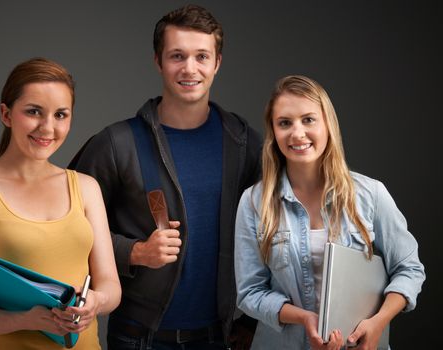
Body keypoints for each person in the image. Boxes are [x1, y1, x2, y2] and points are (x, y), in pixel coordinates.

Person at [69, 4, 262, 349]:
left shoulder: (244, 143)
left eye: (202, 56)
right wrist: (136, 251)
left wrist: (249, 320)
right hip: (137, 337)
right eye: (177, 56)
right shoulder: (117, 144)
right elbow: (67, 230)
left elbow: (274, 234)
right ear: (158, 61)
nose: (190, 68)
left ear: (217, 63)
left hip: (220, 338)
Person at [234, 75, 426, 349]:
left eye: (309, 119)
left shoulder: (370, 194)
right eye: (285, 123)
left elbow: (409, 269)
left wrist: (378, 322)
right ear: (273, 132)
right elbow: (249, 293)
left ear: (328, 125)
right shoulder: (254, 202)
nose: (297, 133)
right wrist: (304, 318)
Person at [0, 57, 121, 350]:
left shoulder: (86, 188)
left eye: (61, 115)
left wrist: (96, 301)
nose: (47, 128)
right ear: (6, 114)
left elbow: (111, 287)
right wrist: (30, 320)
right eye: (34, 112)